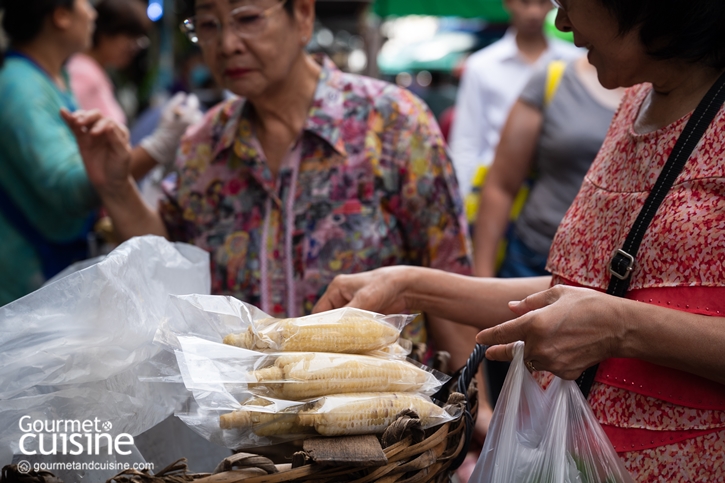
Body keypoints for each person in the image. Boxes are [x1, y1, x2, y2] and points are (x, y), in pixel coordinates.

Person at [314, 0, 725, 479]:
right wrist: (410, 287)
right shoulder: (634, 99)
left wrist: (621, 327)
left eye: (569, 2)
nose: (562, 22)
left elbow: (611, 312)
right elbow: (581, 294)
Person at [63, 0, 484, 410]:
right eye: (208, 25)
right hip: (248, 427)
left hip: (386, 428)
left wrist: (471, 414)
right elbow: (166, 262)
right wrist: (116, 186)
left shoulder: (393, 123)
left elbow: (444, 272)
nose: (227, 44)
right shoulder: (204, 145)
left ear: (302, 15)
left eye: (246, 18)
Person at [474, 55, 624, 406]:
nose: (563, 24)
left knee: (580, 400)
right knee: (513, 392)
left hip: (610, 277)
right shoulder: (554, 77)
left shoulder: (667, 90)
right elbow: (501, 183)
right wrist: (482, 278)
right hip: (532, 257)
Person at [0, 0, 101, 306]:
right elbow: (67, 189)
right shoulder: (21, 87)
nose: (93, 13)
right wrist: (153, 150)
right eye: (86, 3)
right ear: (60, 16)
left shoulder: (53, 77)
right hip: (24, 280)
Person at [449, 0, 580, 207]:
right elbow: (466, 141)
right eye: (525, 2)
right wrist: (462, 202)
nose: (534, 12)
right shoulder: (481, 66)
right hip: (492, 192)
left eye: (542, 2)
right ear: (508, 3)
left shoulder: (574, 62)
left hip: (559, 192)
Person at [67, 0, 202, 180]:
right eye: (130, 37)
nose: (134, 48)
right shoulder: (84, 74)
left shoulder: (99, 74)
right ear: (107, 32)